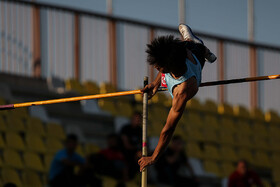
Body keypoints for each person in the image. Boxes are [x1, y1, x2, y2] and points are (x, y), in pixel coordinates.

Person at [138, 24, 216, 171]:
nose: (155, 67)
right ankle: (192, 41)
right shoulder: (175, 55)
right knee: (186, 45)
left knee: (198, 47)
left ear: (168, 68)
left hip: (195, 59)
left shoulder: (182, 93)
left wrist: (153, 157)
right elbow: (164, 68)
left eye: (158, 66)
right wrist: (155, 84)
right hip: (188, 52)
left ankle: (203, 49)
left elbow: (168, 129)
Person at [120, 112, 142, 178]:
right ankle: (126, 178)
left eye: (139, 119)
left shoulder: (140, 130)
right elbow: (126, 145)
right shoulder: (126, 129)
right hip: (125, 151)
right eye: (136, 119)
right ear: (132, 119)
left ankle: (144, 178)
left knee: (145, 157)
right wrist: (136, 150)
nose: (137, 121)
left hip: (136, 151)